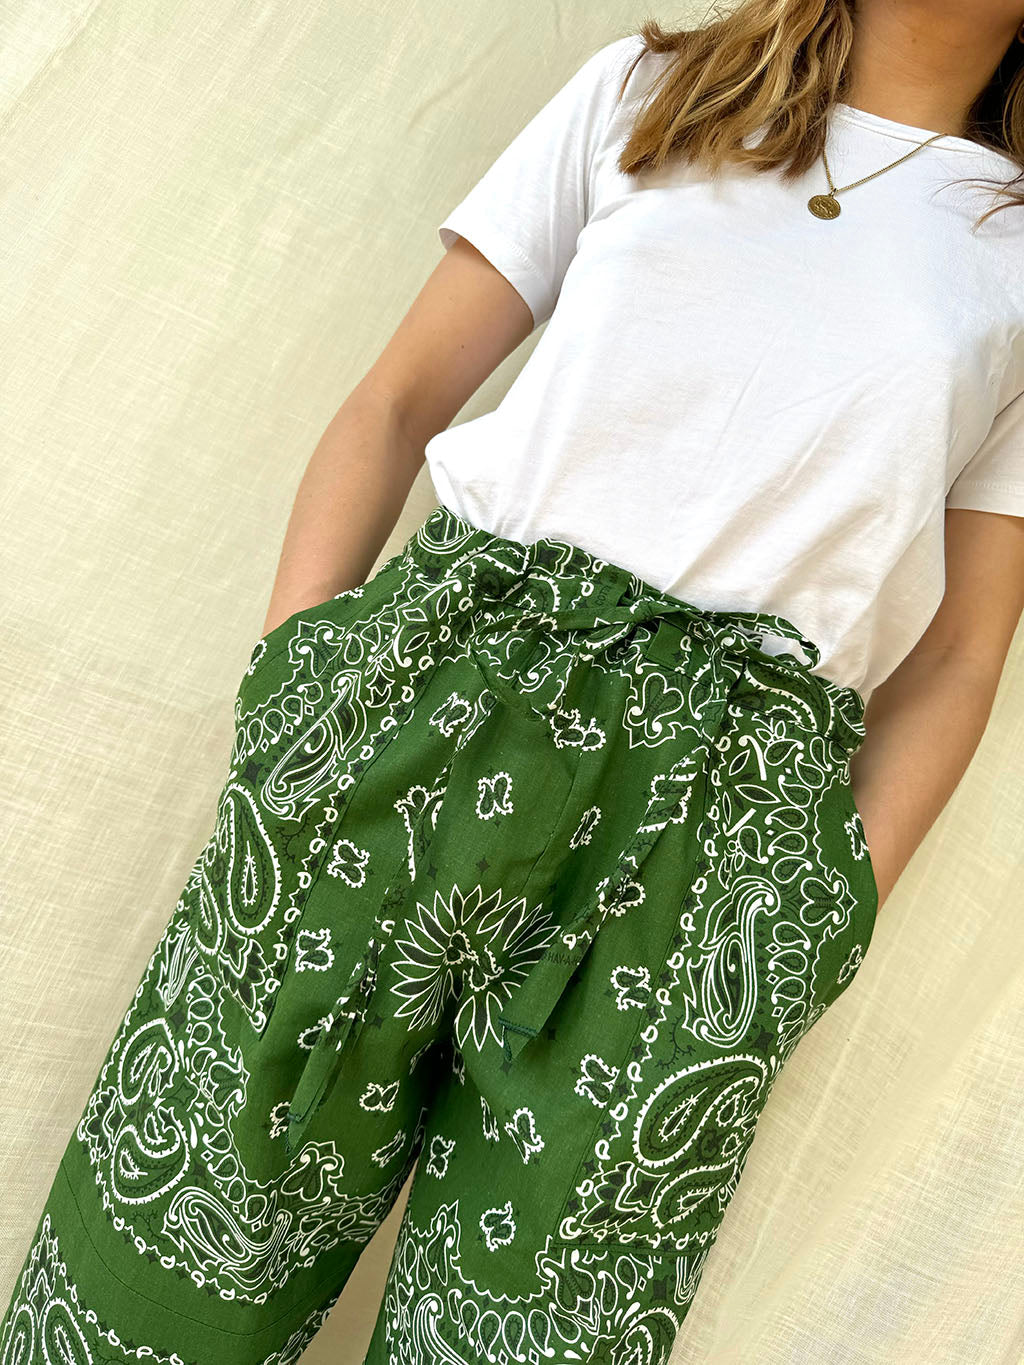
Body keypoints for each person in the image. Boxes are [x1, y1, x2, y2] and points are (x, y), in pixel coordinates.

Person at [3, 1, 1024, 1361]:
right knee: (178, 1249)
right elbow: (397, 401)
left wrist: (812, 915)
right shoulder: (654, 95)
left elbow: (960, 653)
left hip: (715, 832)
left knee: (535, 1325)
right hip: (429, 713)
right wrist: (297, 687)